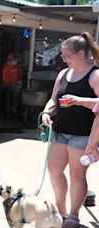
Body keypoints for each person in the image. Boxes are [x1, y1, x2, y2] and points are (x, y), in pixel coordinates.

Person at [41, 32, 99, 228]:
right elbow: (53, 98)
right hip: (61, 131)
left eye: (67, 56)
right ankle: (61, 209)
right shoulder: (63, 74)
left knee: (77, 174)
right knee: (54, 168)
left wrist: (81, 101)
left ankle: (73, 215)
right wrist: (46, 112)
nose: (64, 60)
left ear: (81, 53)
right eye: (63, 56)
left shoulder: (95, 75)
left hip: (83, 135)